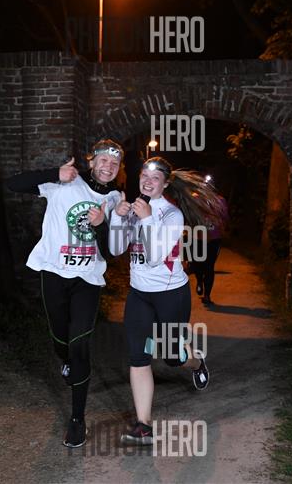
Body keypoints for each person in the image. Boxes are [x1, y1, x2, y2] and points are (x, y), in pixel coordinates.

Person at [5, 139, 123, 448]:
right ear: (91, 161)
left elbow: (110, 252)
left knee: (79, 343)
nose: (108, 167)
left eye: (114, 163)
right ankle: (65, 359)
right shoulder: (65, 182)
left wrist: (101, 225)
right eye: (103, 160)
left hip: (88, 279)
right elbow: (13, 184)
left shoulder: (115, 199)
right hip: (55, 273)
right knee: (61, 341)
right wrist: (54, 173)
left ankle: (77, 419)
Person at [108, 156, 220, 445]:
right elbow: (117, 249)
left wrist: (146, 218)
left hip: (171, 295)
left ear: (165, 183)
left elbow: (156, 257)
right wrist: (118, 218)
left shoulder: (172, 214)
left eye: (155, 178)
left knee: (172, 358)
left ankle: (197, 362)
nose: (147, 181)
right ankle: (143, 425)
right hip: (139, 295)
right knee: (138, 357)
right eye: (144, 175)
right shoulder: (133, 209)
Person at [193, 191, 228, 306]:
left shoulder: (220, 200)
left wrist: (220, 225)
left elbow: (224, 217)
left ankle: (207, 295)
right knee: (197, 264)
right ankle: (199, 281)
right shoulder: (195, 198)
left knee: (209, 266)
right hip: (198, 238)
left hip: (214, 239)